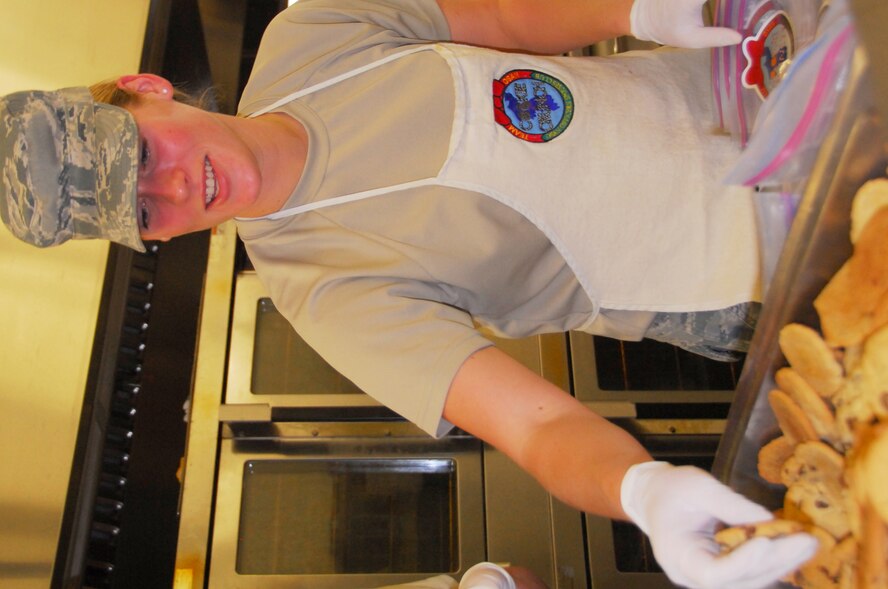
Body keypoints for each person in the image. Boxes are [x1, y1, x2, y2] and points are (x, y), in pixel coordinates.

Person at [0, 1, 820, 588]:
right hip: (751, 280)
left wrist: (641, 8)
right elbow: (538, 428)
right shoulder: (320, 292)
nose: (176, 187)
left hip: (741, 93)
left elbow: (503, 19)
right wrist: (642, 492)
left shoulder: (310, 36)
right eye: (146, 212)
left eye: (142, 154)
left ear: (149, 88)